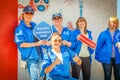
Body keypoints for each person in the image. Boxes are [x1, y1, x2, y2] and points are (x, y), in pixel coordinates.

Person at [14, 6, 46, 80]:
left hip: (40, 56)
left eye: (31, 13)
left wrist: (46, 42)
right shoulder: (20, 28)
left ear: (33, 15)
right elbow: (21, 44)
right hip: (31, 59)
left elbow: (40, 38)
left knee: (41, 77)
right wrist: (37, 43)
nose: (29, 15)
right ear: (23, 14)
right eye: (27, 13)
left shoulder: (35, 25)